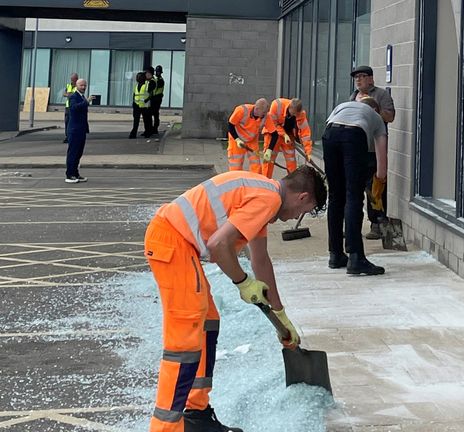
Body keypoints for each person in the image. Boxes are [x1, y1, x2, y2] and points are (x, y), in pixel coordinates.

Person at [144, 166, 327, 432]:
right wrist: (242, 282)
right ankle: (165, 428)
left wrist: (281, 317)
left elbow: (261, 261)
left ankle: (197, 415)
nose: (296, 218)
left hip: (178, 244)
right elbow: (220, 245)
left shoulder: (264, 194)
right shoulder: (268, 199)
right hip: (173, 242)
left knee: (208, 322)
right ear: (302, 197)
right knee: (185, 340)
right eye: (305, 211)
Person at [323, 97, 388, 275]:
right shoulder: (376, 118)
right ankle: (356, 257)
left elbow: (328, 127)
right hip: (353, 135)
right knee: (354, 195)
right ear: (374, 109)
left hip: (330, 134)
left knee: (336, 196)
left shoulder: (342, 105)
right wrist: (378, 186)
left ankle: (335, 254)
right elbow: (381, 163)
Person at [348, 65, 396, 240]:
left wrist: (373, 107)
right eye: (356, 77)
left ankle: (377, 223)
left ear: (371, 78)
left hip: (374, 149)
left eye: (362, 76)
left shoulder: (381, 95)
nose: (359, 80)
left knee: (375, 187)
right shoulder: (353, 97)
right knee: (354, 187)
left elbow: (390, 117)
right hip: (355, 148)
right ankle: (354, 225)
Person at [260, 98, 312, 179]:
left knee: (291, 160)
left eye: (296, 115)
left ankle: (292, 182)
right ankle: (265, 181)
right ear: (290, 108)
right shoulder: (277, 105)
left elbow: (305, 134)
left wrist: (308, 152)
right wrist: (284, 135)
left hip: (289, 135)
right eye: (293, 113)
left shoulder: (301, 114)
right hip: (273, 134)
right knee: (268, 159)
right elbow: (272, 124)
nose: (294, 116)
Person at [227, 98, 270, 173]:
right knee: (235, 165)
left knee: (256, 164)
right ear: (257, 109)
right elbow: (231, 124)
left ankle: (256, 182)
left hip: (252, 140)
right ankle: (236, 182)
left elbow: (274, 133)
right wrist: (237, 139)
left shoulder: (265, 116)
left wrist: (269, 150)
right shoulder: (241, 110)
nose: (265, 114)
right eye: (263, 112)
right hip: (237, 139)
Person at [65, 79, 92, 184]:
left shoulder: (81, 97)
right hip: (74, 129)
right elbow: (73, 108)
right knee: (73, 153)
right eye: (81, 85)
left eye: (85, 85)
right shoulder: (73, 97)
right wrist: (86, 102)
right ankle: (69, 174)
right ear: (76, 86)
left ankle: (75, 173)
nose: (83, 87)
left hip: (81, 129)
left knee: (78, 153)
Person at [129, 72, 152, 139]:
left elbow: (151, 94)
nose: (138, 78)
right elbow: (135, 95)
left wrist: (146, 100)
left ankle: (147, 133)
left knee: (146, 120)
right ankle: (133, 134)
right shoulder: (136, 86)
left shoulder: (147, 85)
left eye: (139, 77)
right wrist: (134, 102)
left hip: (144, 106)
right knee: (136, 120)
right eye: (137, 77)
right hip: (137, 105)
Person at [62, 73, 78, 144]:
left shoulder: (79, 86)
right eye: (71, 79)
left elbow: (77, 95)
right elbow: (64, 94)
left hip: (75, 107)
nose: (72, 81)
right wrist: (68, 94)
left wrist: (70, 94)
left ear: (76, 79)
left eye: (74, 79)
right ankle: (67, 136)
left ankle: (73, 136)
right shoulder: (68, 85)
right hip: (68, 107)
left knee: (74, 122)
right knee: (67, 122)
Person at [150, 65, 165, 137]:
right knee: (152, 113)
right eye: (157, 71)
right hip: (153, 98)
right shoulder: (154, 79)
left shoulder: (160, 80)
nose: (158, 73)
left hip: (157, 98)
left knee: (155, 113)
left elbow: (156, 86)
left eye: (159, 72)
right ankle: (151, 128)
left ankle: (155, 128)